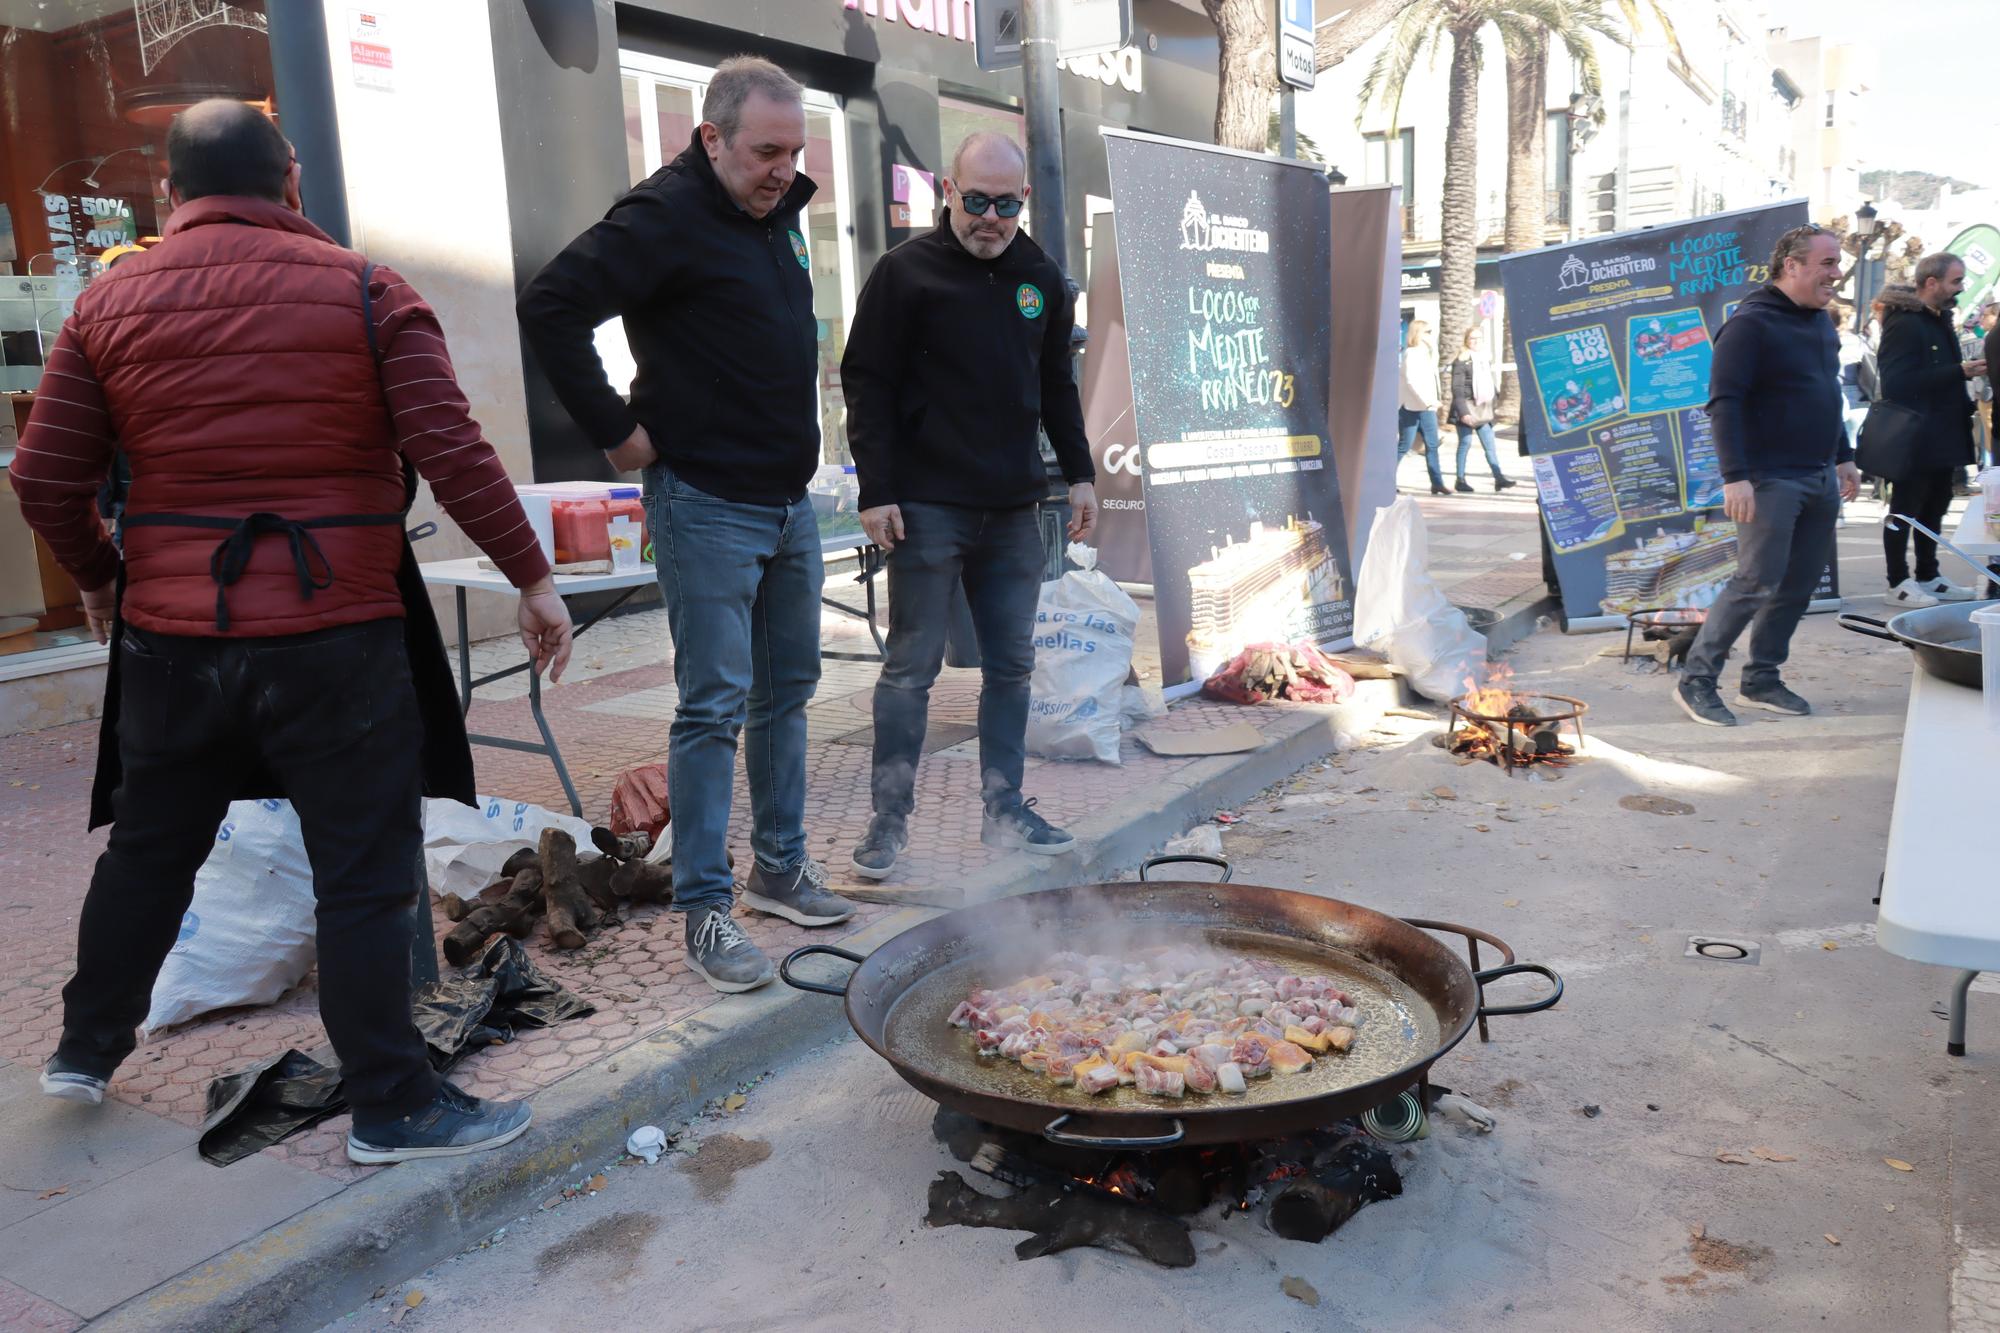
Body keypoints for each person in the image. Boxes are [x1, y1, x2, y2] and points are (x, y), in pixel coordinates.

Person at [7, 101, 574, 1162]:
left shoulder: (106, 300)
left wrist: (99, 578)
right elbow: (453, 450)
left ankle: (84, 1049)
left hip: (171, 637)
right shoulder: (366, 291)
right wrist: (532, 582)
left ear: (170, 193)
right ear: (294, 182)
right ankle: (393, 1109)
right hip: (335, 635)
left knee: (149, 848)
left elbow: (41, 475)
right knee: (361, 870)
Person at [518, 56, 856, 995]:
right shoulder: (662, 215)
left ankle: (779, 869)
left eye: (793, 151)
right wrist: (619, 436)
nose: (783, 169)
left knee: (787, 690)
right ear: (710, 138)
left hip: (787, 503)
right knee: (712, 706)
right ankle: (704, 909)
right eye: (764, 151)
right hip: (703, 500)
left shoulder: (777, 212)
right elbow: (549, 307)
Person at [838, 132, 1098, 881]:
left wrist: (1078, 474)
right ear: (947, 191)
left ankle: (1003, 809)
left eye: (1006, 204)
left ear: (1022, 202)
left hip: (1015, 509)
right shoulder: (904, 273)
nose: (990, 218)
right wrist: (876, 489)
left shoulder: (1040, 277)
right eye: (976, 200)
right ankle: (888, 823)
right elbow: (869, 385)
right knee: (909, 669)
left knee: (1013, 668)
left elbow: (1057, 384)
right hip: (924, 507)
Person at [1675, 223, 1860, 728]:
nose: (1836, 273)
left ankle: (1761, 678)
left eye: (1837, 262)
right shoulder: (1750, 324)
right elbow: (1724, 403)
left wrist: (1843, 454)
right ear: (1791, 266)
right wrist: (1735, 476)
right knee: (1755, 581)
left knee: (1798, 585)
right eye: (1826, 263)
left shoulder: (1820, 322)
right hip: (1770, 479)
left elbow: (1827, 394)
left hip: (1820, 475)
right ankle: (1696, 680)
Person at [1875, 255, 1982, 607]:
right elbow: (1897, 383)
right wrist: (1959, 372)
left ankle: (1928, 574)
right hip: (1913, 438)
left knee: (1936, 505)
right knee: (1904, 508)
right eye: (1955, 281)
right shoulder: (1905, 323)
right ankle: (1897, 581)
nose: (1961, 288)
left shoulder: (1941, 320)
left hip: (1943, 434)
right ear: (1931, 282)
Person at [1447, 326, 1516, 493]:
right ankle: (1460, 479)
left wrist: (1496, 402)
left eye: (1479, 338)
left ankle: (1499, 478)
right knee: (1465, 443)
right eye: (1472, 338)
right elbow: (1457, 389)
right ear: (1466, 341)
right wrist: (1464, 413)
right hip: (1467, 408)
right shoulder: (1462, 361)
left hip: (1484, 409)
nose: (1476, 341)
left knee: (1490, 445)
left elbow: (1489, 384)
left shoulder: (1484, 359)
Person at [1396, 319, 1449, 496]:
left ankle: (1437, 483)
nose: (1430, 335)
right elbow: (1412, 381)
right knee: (1405, 445)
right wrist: (1427, 401)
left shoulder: (1428, 353)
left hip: (1427, 407)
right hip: (1412, 406)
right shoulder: (1411, 353)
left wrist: (1433, 401)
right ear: (1418, 333)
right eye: (1427, 331)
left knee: (1432, 445)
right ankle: (1387, 480)